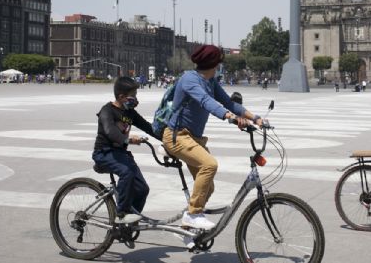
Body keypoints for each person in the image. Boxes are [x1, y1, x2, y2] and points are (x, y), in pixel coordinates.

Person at [163, 45, 265, 230]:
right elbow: (206, 101)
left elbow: (228, 102)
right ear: (214, 63)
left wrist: (255, 118)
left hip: (194, 139)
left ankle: (188, 230)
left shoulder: (210, 81)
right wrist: (230, 118)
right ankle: (194, 214)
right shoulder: (189, 80)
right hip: (177, 136)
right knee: (209, 165)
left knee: (207, 188)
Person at [92, 77, 154, 224]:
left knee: (143, 189)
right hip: (103, 153)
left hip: (120, 155)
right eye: (134, 95)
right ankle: (121, 214)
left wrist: (168, 137)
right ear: (121, 97)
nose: (136, 99)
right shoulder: (107, 110)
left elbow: (148, 127)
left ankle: (130, 222)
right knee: (126, 174)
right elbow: (110, 131)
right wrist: (128, 140)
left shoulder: (130, 112)